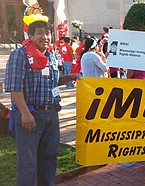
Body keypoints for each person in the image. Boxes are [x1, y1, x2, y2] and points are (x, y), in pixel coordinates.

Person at [4, 20, 80, 186]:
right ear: (30, 36)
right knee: (28, 161)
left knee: (49, 158)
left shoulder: (50, 56)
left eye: (47, 33)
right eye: (39, 33)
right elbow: (14, 87)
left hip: (51, 114)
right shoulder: (20, 55)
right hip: (30, 115)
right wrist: (25, 113)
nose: (45, 37)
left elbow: (51, 81)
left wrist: (68, 78)